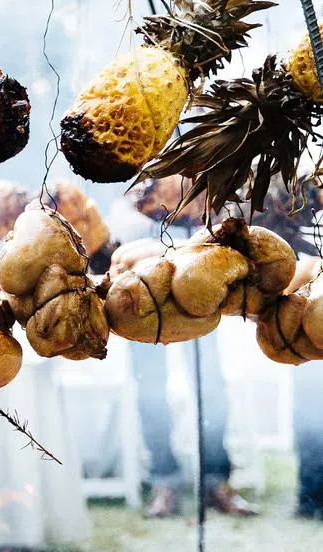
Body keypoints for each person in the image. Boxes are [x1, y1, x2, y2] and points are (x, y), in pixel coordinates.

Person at [106, 197, 259, 518]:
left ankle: (217, 482)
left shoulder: (197, 166)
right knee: (151, 394)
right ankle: (165, 483)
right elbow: (119, 224)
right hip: (142, 291)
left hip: (196, 283)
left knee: (211, 389)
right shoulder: (136, 175)